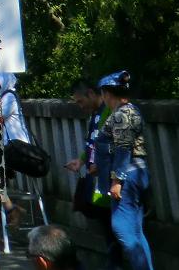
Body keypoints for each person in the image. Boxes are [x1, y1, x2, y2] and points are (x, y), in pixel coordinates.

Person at [98, 71, 154, 270]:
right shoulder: (130, 110)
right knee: (136, 232)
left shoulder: (121, 114)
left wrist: (117, 180)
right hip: (136, 173)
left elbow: (123, 148)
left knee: (122, 229)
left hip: (127, 176)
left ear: (107, 93)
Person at [65, 79, 116, 263]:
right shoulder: (95, 114)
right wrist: (81, 160)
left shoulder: (108, 112)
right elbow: (92, 143)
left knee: (116, 228)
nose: (80, 106)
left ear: (91, 93)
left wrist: (99, 164)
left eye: (81, 101)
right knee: (106, 225)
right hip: (99, 180)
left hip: (111, 179)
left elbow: (113, 144)